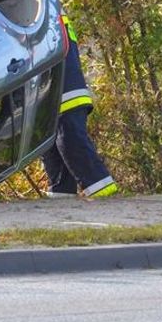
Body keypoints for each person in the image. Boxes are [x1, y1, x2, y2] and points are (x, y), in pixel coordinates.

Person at [40, 12, 119, 198]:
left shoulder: (43, 13)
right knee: (53, 150)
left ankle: (103, 191)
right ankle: (61, 196)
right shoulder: (49, 11)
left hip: (64, 94)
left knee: (69, 142)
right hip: (57, 96)